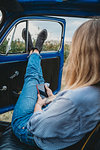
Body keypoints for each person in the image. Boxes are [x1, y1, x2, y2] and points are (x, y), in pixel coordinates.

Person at [12, 19, 100, 150]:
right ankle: (35, 51)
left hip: (26, 126)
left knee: (32, 78)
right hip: (58, 129)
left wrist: (38, 105)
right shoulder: (92, 92)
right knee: (40, 84)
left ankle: (34, 51)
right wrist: (54, 98)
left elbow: (35, 126)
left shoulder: (75, 99)